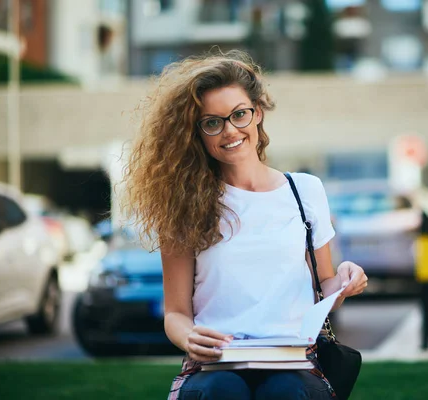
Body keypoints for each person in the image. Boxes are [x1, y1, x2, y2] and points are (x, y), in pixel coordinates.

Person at [123, 50, 367, 400]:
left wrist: (344, 281)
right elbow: (175, 313)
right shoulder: (183, 203)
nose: (230, 130)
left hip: (292, 362)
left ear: (258, 113)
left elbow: (323, 288)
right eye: (213, 122)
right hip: (215, 364)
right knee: (221, 391)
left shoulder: (305, 191)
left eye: (239, 115)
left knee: (288, 393)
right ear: (197, 133)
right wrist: (188, 336)